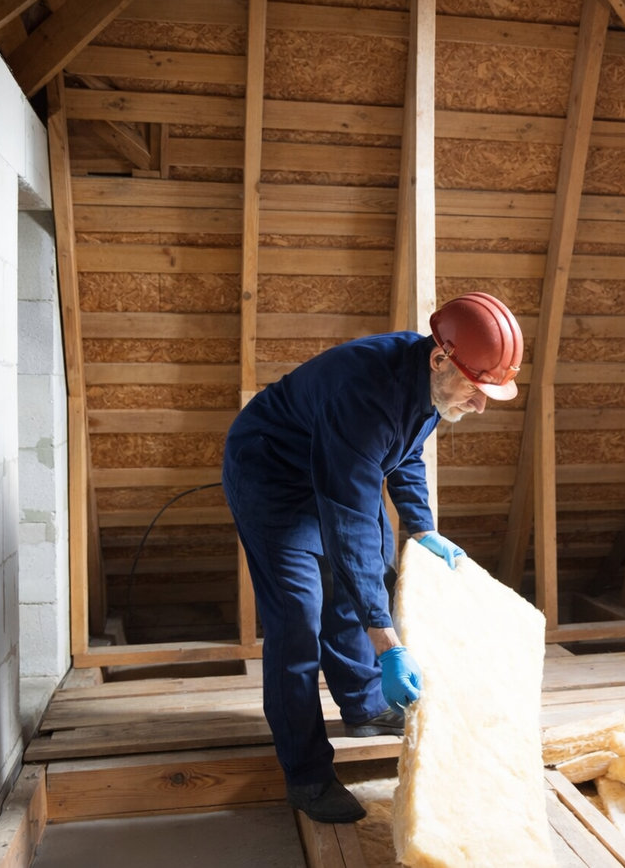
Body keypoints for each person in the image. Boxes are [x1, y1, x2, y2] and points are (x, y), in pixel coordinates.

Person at [221, 292, 523, 823]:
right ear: (439, 358)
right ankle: (307, 776)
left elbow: (401, 452)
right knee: (298, 615)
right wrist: (388, 644)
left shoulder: (427, 382)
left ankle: (362, 705)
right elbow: (349, 517)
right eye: (477, 390)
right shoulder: (366, 393)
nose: (479, 406)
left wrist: (422, 526)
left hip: (332, 463)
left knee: (361, 578)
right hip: (271, 474)